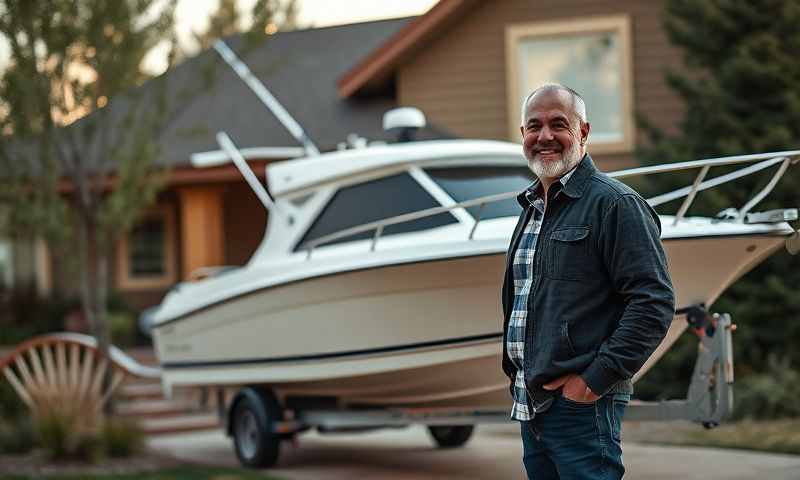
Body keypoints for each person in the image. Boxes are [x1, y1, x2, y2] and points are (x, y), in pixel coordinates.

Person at [501, 83, 675, 480]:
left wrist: (591, 383)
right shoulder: (532, 209)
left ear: (583, 132)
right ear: (523, 135)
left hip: (581, 407)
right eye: (534, 126)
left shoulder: (615, 204)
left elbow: (653, 303)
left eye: (558, 124)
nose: (544, 136)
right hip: (534, 402)